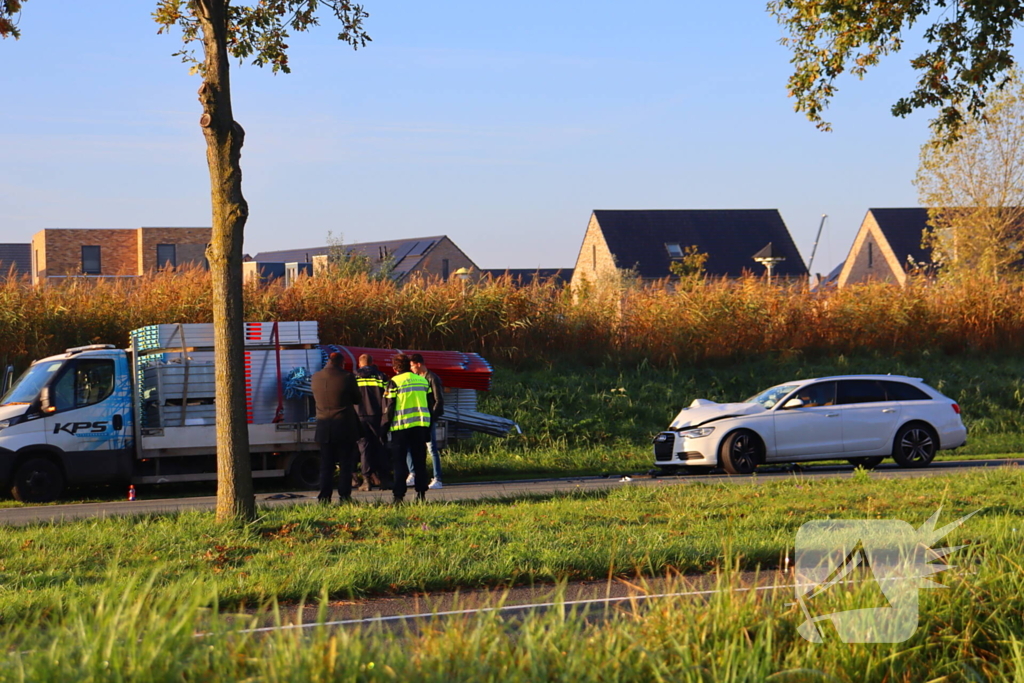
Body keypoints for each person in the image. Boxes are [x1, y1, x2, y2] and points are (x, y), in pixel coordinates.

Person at [310, 352, 362, 504]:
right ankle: (344, 496)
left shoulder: (315, 377)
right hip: (344, 426)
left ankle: (324, 497)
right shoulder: (347, 377)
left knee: (326, 465)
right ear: (342, 363)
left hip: (324, 427)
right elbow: (357, 399)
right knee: (346, 464)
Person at [383, 353, 432, 503]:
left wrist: (383, 428)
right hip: (420, 427)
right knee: (419, 462)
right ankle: (421, 494)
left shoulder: (394, 382)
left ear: (395, 368)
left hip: (401, 427)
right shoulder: (423, 381)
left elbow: (388, 407)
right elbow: (430, 403)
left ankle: (399, 495)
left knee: (399, 463)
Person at [406, 352, 445, 489]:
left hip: (429, 418)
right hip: (418, 417)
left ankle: (437, 478)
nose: (411, 369)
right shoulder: (416, 378)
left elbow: (438, 400)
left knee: (431, 447)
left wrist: (432, 417)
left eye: (412, 366)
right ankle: (413, 473)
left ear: (419, 364)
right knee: (411, 446)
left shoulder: (432, 378)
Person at [354, 353, 389, 491]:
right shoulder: (381, 376)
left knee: (364, 448)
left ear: (360, 363)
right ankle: (384, 480)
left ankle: (366, 480)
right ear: (372, 362)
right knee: (380, 446)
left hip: (360, 415)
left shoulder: (354, 376)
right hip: (377, 416)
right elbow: (388, 396)